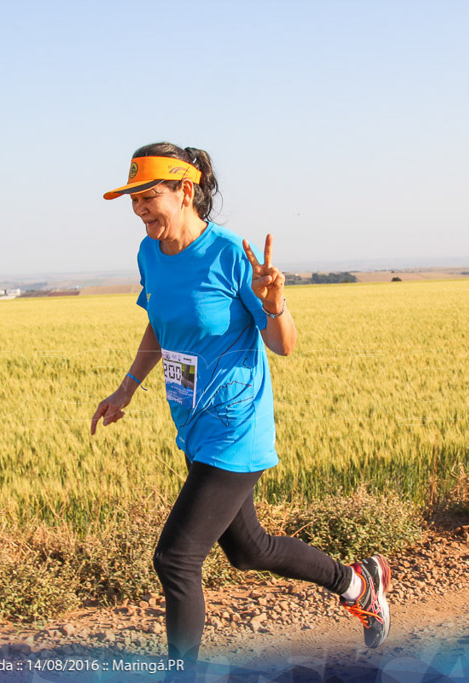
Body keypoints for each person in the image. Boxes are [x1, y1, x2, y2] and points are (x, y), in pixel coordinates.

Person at [90, 142, 391, 667]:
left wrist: (276, 305)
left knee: (176, 560)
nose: (138, 208)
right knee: (249, 549)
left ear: (185, 191)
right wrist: (127, 387)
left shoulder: (230, 253)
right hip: (193, 422)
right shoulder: (149, 253)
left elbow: (284, 344)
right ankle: (357, 582)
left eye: (148, 195)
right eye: (132, 197)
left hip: (236, 424)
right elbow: (159, 323)